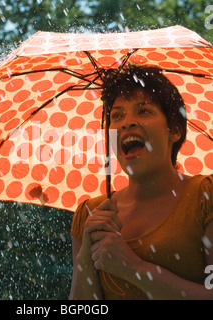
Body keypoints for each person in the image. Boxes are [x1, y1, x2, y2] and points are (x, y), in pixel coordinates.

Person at [69, 65, 213, 300]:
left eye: (144, 111)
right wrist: (86, 257)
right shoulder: (91, 215)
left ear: (175, 129)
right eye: (117, 115)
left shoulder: (205, 196)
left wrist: (133, 268)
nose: (127, 122)